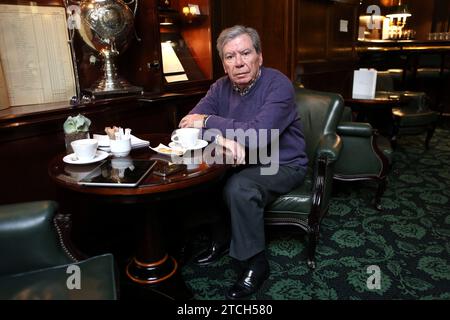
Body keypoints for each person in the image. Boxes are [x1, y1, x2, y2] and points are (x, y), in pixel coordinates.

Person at [178, 25, 308, 299]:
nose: (238, 63)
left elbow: (258, 135)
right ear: (223, 64)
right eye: (229, 57)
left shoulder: (278, 84)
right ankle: (221, 237)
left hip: (283, 163)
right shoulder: (219, 88)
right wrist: (223, 139)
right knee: (201, 180)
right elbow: (185, 127)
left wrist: (210, 123)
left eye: (245, 53)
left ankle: (255, 264)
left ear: (259, 56)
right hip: (240, 160)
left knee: (239, 187)